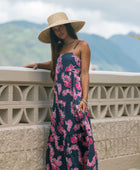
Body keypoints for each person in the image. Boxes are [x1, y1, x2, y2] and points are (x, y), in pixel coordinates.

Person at [24, 12, 98, 170]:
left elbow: (85, 73)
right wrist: (37, 64)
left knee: (77, 136)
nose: (59, 31)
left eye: (61, 27)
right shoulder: (58, 48)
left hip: (75, 100)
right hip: (59, 103)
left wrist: (84, 99)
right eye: (55, 30)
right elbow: (55, 63)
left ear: (68, 26)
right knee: (62, 137)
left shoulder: (82, 45)